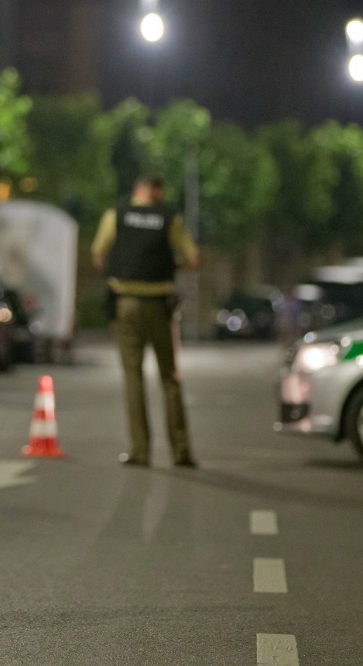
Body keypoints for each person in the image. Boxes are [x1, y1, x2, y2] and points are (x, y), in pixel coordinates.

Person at [91, 176, 200, 468]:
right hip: (158, 306)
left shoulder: (116, 214)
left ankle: (140, 451)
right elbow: (193, 258)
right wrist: (170, 267)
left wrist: (118, 271)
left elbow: (98, 254)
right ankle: (181, 451)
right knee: (170, 377)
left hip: (125, 303)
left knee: (133, 377)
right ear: (157, 191)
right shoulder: (169, 217)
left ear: (136, 190)